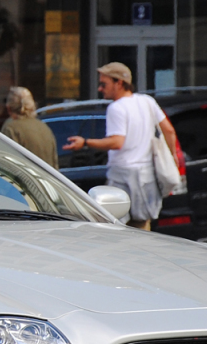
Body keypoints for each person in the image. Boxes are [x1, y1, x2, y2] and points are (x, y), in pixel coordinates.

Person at [62, 62, 178, 231]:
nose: (100, 89)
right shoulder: (147, 101)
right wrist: (173, 155)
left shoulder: (116, 108)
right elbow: (169, 131)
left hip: (123, 175)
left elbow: (117, 142)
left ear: (119, 83)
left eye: (104, 84)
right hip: (146, 175)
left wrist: (85, 143)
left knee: (114, 227)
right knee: (143, 226)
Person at [1, 86, 58, 167]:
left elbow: (8, 166)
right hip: (47, 179)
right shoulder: (44, 127)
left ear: (8, 108)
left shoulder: (11, 128)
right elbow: (54, 163)